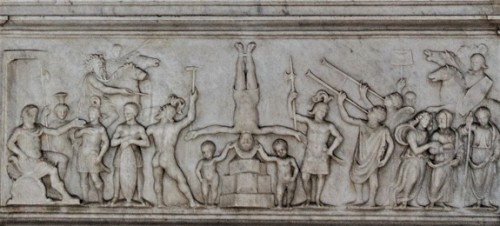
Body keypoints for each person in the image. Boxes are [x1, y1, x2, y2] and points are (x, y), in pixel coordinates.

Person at [186, 42, 303, 142]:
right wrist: (294, 133)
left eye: (244, 142)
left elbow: (215, 129)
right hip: (253, 97)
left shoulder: (236, 129)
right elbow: (275, 129)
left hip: (238, 96)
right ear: (252, 140)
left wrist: (198, 133)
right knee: (251, 72)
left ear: (239, 140)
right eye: (248, 142)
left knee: (239, 73)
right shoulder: (256, 130)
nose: (246, 141)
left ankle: (241, 54)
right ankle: (249, 54)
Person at [7, 104, 85, 203]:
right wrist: (21, 154)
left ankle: (54, 187)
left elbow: (56, 132)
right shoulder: (20, 131)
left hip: (41, 155)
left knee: (63, 159)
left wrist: (72, 124)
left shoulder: (38, 128)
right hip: (29, 162)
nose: (34, 117)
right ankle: (65, 196)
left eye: (35, 115)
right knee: (52, 170)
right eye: (32, 115)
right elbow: (9, 144)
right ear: (25, 116)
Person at [337, 92, 394, 207]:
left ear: (377, 117)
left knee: (373, 177)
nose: (368, 111)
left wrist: (385, 159)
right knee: (356, 176)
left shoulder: (383, 130)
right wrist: (340, 103)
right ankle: (359, 198)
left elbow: (391, 144)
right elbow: (346, 118)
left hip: (373, 158)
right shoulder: (362, 124)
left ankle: (372, 200)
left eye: (371, 111)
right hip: (361, 157)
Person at [287, 90, 343, 206]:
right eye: (321, 110)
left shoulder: (329, 125)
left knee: (321, 176)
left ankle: (317, 199)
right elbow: (293, 116)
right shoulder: (309, 122)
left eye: (325, 111)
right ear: (315, 110)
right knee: (305, 176)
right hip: (310, 152)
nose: (324, 113)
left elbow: (339, 137)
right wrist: (290, 100)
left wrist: (331, 150)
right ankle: (308, 198)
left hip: (322, 154)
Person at [146, 90, 200, 207]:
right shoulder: (174, 127)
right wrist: (193, 100)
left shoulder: (152, 128)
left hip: (156, 157)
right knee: (180, 179)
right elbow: (190, 118)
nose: (159, 110)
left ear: (167, 114)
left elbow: (142, 138)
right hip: (167, 157)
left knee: (157, 181)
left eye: (162, 109)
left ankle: (160, 203)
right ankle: (192, 202)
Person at [394, 111, 439, 208]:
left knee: (419, 180)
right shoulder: (411, 133)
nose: (427, 122)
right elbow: (415, 150)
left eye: (428, 120)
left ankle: (412, 200)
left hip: (421, 160)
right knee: (411, 179)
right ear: (419, 119)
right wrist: (429, 145)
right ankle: (403, 201)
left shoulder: (425, 133)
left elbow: (425, 150)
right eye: (425, 119)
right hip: (412, 160)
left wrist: (431, 154)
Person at [459, 107, 500, 208]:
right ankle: (476, 201)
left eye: (484, 118)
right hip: (476, 155)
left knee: (488, 180)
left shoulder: (493, 130)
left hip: (488, 156)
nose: (482, 120)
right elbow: (462, 131)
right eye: (479, 118)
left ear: (488, 117)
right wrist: (468, 124)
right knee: (477, 180)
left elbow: (497, 144)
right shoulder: (475, 127)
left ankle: (485, 201)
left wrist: (495, 155)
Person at [111, 102, 150, 205]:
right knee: (117, 171)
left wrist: (132, 141)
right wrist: (124, 139)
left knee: (139, 172)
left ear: (134, 114)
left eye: (128, 113)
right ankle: (115, 196)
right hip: (121, 152)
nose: (125, 114)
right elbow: (113, 142)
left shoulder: (139, 128)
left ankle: (140, 196)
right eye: (125, 112)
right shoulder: (121, 127)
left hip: (136, 153)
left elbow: (146, 143)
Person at [427, 110, 462, 208]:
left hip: (450, 163)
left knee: (447, 184)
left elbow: (460, 148)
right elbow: (431, 150)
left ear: (449, 121)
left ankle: (441, 201)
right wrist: (444, 147)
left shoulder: (454, 134)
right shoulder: (436, 134)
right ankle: (432, 202)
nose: (439, 121)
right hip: (439, 162)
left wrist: (458, 159)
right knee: (436, 183)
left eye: (442, 119)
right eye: (439, 119)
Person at [75, 105, 109, 204]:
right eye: (90, 113)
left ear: (98, 115)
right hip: (82, 154)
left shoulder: (100, 128)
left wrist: (100, 157)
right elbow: (76, 135)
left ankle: (100, 199)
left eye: (93, 113)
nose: (91, 115)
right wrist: (83, 131)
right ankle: (85, 199)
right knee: (83, 177)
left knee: (95, 178)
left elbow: (106, 143)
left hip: (92, 154)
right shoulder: (85, 125)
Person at [257, 139, 299, 208]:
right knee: (279, 193)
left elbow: (296, 168)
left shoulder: (291, 159)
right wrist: (260, 150)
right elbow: (266, 158)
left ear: (286, 149)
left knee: (290, 193)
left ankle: (288, 205)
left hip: (290, 180)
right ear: (276, 152)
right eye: (278, 151)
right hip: (281, 181)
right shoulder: (277, 159)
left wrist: (294, 177)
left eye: (282, 149)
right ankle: (280, 205)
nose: (281, 152)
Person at [195, 140, 232, 206]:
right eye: (203, 152)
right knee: (204, 191)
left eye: (208, 152)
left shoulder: (213, 160)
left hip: (214, 177)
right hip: (205, 179)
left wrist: (227, 148)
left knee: (214, 190)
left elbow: (222, 157)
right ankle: (205, 203)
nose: (205, 154)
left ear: (213, 152)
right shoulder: (202, 162)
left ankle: (212, 203)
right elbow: (197, 170)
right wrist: (200, 179)